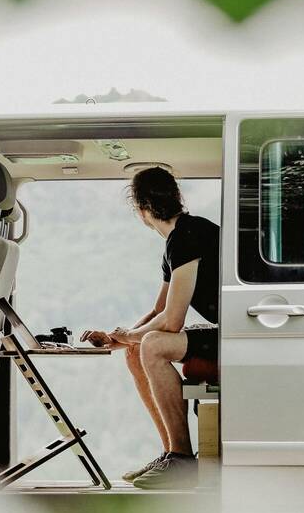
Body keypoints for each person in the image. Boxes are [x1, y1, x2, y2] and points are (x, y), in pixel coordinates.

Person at [81, 166, 219, 490]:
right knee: (136, 352)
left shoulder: (187, 236)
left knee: (153, 345)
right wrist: (121, 339)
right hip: (222, 333)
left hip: (232, 336)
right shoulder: (178, 239)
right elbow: (159, 309)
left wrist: (133, 336)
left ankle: (183, 460)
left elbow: (172, 320)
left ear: (141, 210)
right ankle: (172, 451)